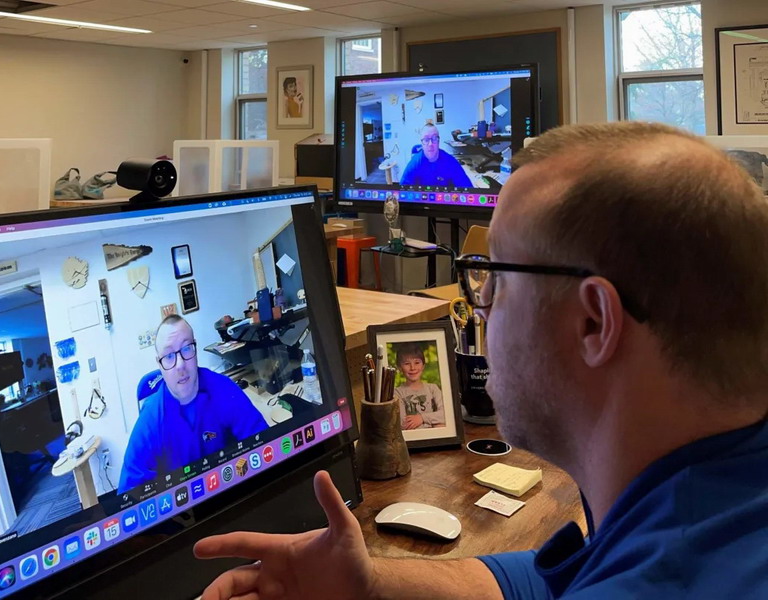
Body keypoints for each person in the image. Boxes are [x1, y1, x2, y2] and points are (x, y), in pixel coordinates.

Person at [193, 122, 768, 599]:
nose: (481, 303)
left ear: (594, 322)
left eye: (496, 274)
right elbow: (557, 580)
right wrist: (369, 583)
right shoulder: (709, 496)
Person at [119, 315, 267, 492]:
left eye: (187, 348)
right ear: (159, 363)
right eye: (169, 356)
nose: (180, 365)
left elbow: (264, 444)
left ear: (195, 349)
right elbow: (130, 494)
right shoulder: (151, 420)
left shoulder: (223, 389)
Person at [400, 123, 473, 187]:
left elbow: (468, 191)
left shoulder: (451, 162)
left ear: (438, 141)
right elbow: (402, 191)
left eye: (434, 138)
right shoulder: (414, 163)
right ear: (422, 143)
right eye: (426, 139)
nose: (430, 144)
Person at [393, 342, 445, 430]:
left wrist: (422, 418)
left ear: (423, 366)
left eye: (417, 362)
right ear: (400, 368)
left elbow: (445, 414)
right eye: (407, 363)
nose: (412, 368)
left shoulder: (432, 388)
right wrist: (434, 422)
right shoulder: (397, 393)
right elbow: (403, 424)